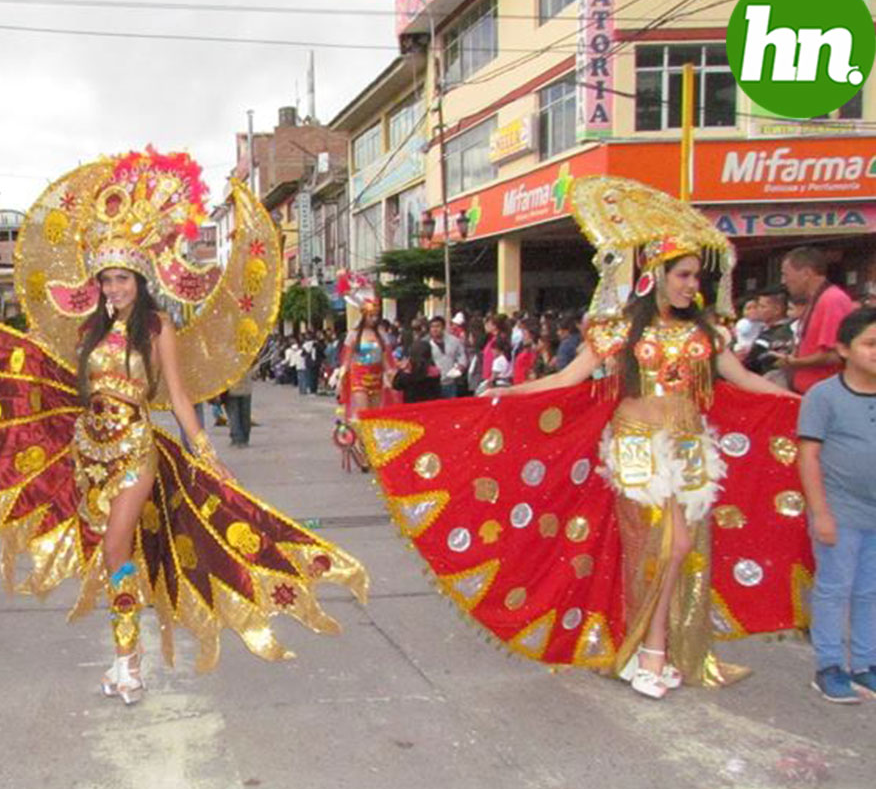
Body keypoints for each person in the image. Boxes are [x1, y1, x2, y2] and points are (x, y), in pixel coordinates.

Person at [0, 149, 367, 705]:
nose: (114, 289)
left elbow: (175, 396)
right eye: (106, 280)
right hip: (86, 454)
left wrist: (203, 450)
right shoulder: (89, 333)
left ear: (140, 279)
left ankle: (129, 664)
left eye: (122, 279)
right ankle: (124, 659)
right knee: (111, 556)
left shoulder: (157, 327)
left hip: (135, 453)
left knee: (115, 549)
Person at [365, 176, 807, 698]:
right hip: (636, 441)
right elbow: (568, 379)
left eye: (695, 276)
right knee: (667, 546)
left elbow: (747, 380)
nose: (693, 285)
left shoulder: (705, 333)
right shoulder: (620, 329)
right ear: (655, 275)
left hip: (690, 446)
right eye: (684, 275)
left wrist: (809, 405)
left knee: (684, 551)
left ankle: (648, 647)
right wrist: (505, 395)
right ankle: (651, 651)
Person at [797, 307, 876, 703]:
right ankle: (829, 665)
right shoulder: (823, 396)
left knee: (870, 590)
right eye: (869, 344)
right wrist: (821, 512)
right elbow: (809, 456)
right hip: (840, 514)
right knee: (834, 588)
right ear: (843, 349)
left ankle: (865, 664)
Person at [779, 246, 855, 394]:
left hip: (826, 394)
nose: (784, 281)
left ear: (806, 273)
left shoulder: (832, 299)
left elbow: (836, 355)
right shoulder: (817, 299)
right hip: (810, 391)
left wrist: (794, 362)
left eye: (786, 274)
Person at [425, 315, 467, 398]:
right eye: (432, 327)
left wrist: (461, 366)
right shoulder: (425, 343)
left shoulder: (454, 341)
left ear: (443, 327)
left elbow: (462, 355)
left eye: (437, 326)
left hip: (451, 383)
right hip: (433, 384)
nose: (435, 329)